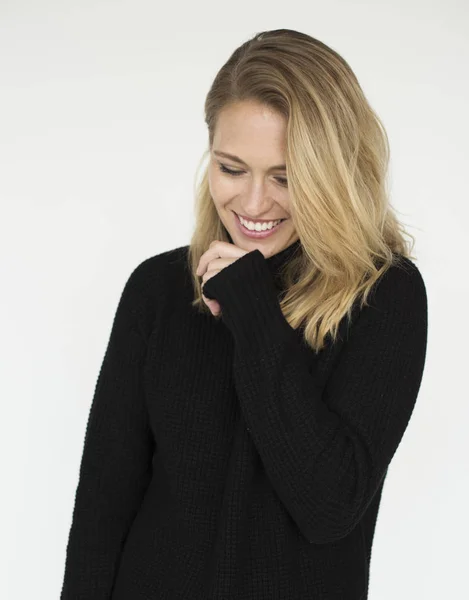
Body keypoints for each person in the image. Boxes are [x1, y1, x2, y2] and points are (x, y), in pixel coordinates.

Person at [60, 29, 428, 600]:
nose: (254, 204)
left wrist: (251, 309)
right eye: (232, 169)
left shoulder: (384, 297)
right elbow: (102, 512)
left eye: (285, 177)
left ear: (333, 173)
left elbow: (329, 506)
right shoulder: (157, 290)